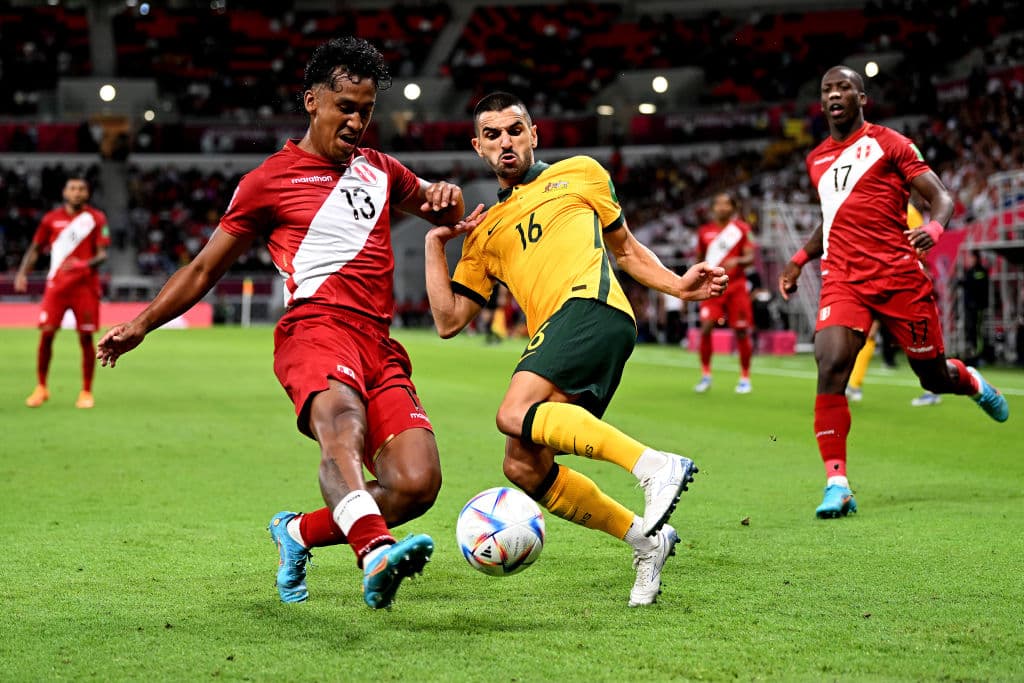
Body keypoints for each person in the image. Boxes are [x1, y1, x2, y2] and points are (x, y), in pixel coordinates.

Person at [96, 37, 467, 609]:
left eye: (366, 111)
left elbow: (443, 211)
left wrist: (449, 196)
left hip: (378, 343)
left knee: (417, 484)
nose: (357, 121)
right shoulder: (268, 181)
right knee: (342, 425)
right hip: (315, 331)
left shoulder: (382, 170)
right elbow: (203, 269)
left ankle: (295, 532)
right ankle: (374, 553)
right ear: (312, 101)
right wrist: (142, 323)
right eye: (346, 107)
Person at [423, 92, 729, 606]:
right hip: (560, 333)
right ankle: (645, 540)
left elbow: (625, 248)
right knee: (523, 464)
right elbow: (449, 320)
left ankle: (655, 467)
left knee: (512, 413)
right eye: (492, 135)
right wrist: (435, 245)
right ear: (478, 146)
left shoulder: (581, 172)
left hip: (592, 307)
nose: (505, 142)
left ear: (534, 134)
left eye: (514, 130)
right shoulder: (483, 234)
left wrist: (678, 285)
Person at [778, 65, 1009, 519]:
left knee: (932, 377)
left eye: (844, 87)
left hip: (898, 277)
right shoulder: (816, 159)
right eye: (827, 89)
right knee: (830, 363)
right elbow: (833, 217)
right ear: (821, 102)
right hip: (843, 278)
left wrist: (935, 228)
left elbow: (941, 197)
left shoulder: (891, 143)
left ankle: (969, 381)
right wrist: (800, 258)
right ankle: (837, 484)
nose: (835, 95)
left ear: (862, 98)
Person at [14, 176, 109, 409]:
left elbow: (103, 255)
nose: (77, 192)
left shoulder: (96, 218)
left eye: (82, 189)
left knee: (86, 338)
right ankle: (41, 387)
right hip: (57, 286)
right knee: (46, 334)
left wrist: (83, 264)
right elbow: (35, 248)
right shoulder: (51, 219)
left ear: (87, 194)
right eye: (73, 188)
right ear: (65, 193)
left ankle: (86, 391)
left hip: (85, 287)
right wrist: (22, 272)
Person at [693, 192, 756, 394]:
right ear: (713, 208)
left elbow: (751, 257)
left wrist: (738, 261)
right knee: (705, 328)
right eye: (718, 204)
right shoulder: (704, 232)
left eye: (726, 204)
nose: (722, 207)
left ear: (733, 207)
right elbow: (699, 260)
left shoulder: (742, 230)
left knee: (741, 331)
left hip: (736, 286)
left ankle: (745, 377)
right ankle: (705, 375)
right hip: (712, 287)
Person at [959, 250, 990, 366]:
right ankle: (971, 355)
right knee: (970, 331)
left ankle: (979, 355)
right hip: (969, 307)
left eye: (971, 258)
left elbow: (978, 286)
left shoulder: (981, 271)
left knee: (978, 331)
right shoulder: (969, 271)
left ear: (976, 258)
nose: (969, 260)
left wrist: (966, 282)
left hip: (978, 307)